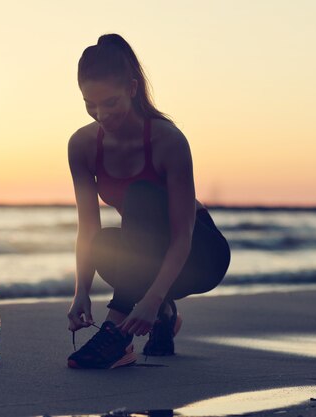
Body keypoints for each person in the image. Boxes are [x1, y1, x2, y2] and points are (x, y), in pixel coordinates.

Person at [66, 34, 231, 369]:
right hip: (149, 254)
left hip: (199, 253)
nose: (101, 114)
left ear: (132, 88)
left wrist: (150, 299)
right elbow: (87, 228)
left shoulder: (167, 139)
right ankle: (167, 316)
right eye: (90, 104)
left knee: (140, 195)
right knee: (103, 243)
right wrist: (80, 291)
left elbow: (182, 234)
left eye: (110, 102)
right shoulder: (82, 145)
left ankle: (117, 335)